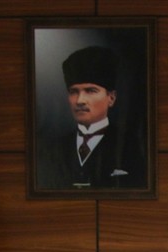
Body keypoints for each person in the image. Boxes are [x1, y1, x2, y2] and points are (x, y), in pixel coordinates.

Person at [36, 45, 146, 190]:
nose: (80, 100)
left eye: (90, 91)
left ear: (111, 98)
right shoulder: (51, 151)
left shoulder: (133, 147)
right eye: (74, 92)